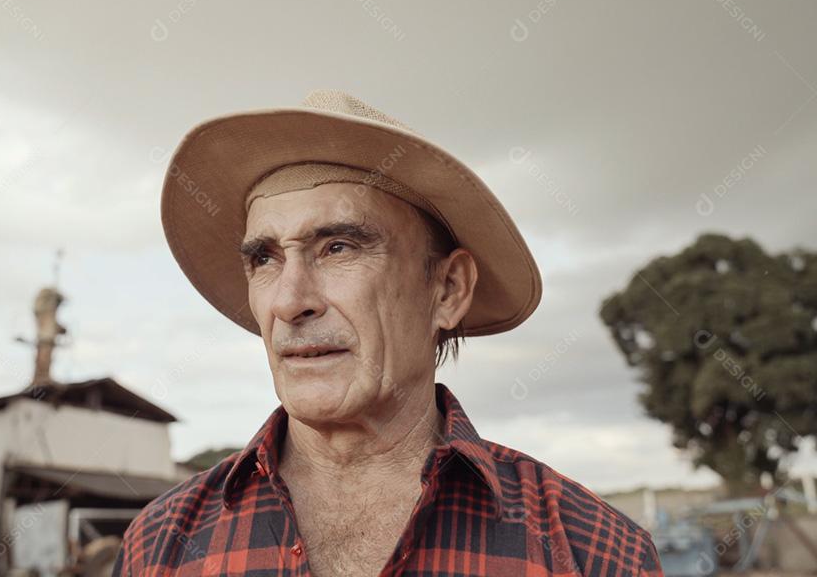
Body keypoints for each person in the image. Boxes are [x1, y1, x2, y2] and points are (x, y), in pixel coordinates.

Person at [114, 90, 664, 576]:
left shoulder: (592, 551)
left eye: (339, 247)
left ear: (447, 289)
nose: (289, 300)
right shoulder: (160, 546)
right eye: (264, 258)